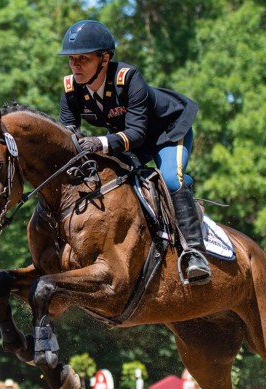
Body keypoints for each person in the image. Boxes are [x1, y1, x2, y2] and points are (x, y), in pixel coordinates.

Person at [58, 19, 211, 285]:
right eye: (72, 59)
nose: (76, 65)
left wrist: (98, 143)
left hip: (167, 132)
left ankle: (195, 253)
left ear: (104, 59)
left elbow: (138, 133)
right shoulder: (72, 90)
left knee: (171, 179)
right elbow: (68, 137)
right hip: (127, 141)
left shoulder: (128, 79)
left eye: (84, 58)